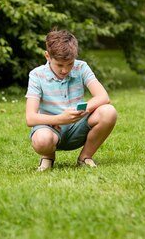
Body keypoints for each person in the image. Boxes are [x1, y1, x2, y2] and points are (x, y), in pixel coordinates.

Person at [25, 29, 117, 171]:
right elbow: (30, 118)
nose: (65, 70)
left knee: (109, 112)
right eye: (60, 65)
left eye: (69, 64)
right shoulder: (36, 75)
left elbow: (103, 97)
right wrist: (61, 119)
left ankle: (85, 157)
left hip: (77, 125)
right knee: (42, 140)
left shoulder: (81, 67)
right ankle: (48, 157)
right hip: (50, 128)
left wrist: (80, 111)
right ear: (47, 56)